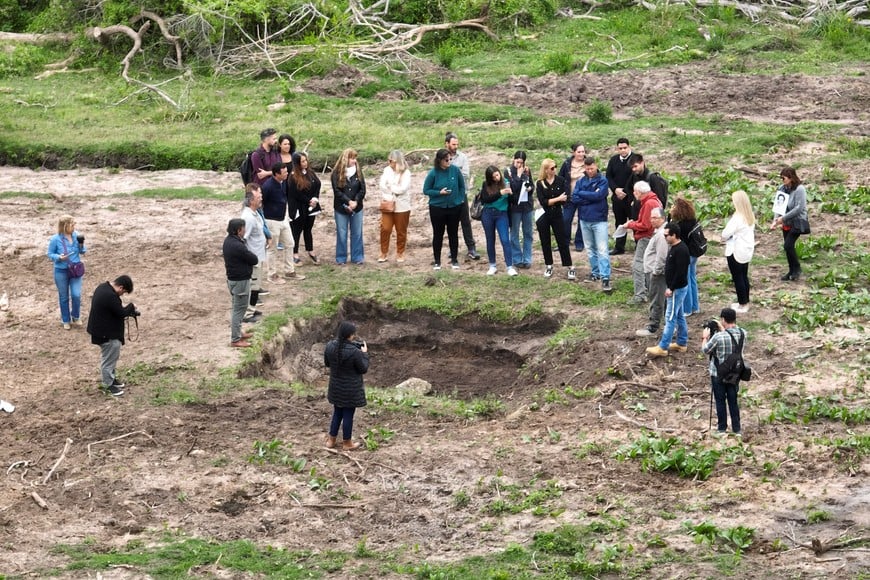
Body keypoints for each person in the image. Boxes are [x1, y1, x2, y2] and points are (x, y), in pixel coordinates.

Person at [87, 275, 137, 397]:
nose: (122, 294)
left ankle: (111, 378)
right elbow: (121, 313)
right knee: (109, 360)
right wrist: (131, 306)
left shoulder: (102, 287)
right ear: (121, 287)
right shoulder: (110, 296)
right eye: (123, 292)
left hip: (101, 331)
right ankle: (108, 385)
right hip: (106, 334)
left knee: (112, 357)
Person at [646, 222, 690, 358]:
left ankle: (663, 346)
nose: (664, 237)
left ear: (674, 235)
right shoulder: (674, 247)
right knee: (679, 316)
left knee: (670, 318)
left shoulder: (681, 250)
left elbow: (681, 273)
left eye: (666, 235)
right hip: (676, 288)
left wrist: (671, 288)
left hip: (677, 290)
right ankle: (682, 342)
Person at [324, 321, 369, 451]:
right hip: (350, 389)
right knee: (348, 414)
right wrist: (364, 354)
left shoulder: (330, 346)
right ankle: (347, 443)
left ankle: (331, 440)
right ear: (350, 335)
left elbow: (327, 363)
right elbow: (363, 368)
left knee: (337, 412)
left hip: (335, 387)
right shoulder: (355, 352)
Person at [701, 307, 744, 436]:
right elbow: (731, 336)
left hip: (718, 373)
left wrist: (704, 338)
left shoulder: (718, 337)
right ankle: (737, 429)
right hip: (735, 373)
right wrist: (722, 328)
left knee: (720, 400)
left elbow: (705, 350)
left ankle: (721, 428)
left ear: (723, 319)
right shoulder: (743, 333)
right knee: (733, 400)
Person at [572, 155, 612, 292]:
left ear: (596, 166)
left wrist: (582, 194)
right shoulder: (581, 180)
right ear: (584, 167)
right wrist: (590, 196)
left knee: (602, 249)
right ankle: (595, 272)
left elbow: (599, 196)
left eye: (592, 168)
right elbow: (574, 197)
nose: (590, 171)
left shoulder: (603, 180)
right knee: (590, 248)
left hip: (599, 219)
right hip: (584, 219)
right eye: (587, 169)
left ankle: (605, 277)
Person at [423, 148, 466, 270]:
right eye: (446, 160)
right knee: (438, 234)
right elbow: (426, 190)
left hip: (454, 207)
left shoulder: (455, 170)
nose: (449, 162)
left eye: (450, 159)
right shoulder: (433, 173)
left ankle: (454, 259)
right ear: (439, 160)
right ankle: (437, 261)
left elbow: (462, 187)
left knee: (453, 233)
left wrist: (460, 200)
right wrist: (439, 193)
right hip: (437, 208)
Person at [261, 162, 305, 284]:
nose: (287, 174)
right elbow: (261, 203)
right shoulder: (268, 186)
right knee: (272, 248)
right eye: (284, 172)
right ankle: (272, 274)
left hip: (283, 218)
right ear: (276, 174)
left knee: (290, 243)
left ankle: (289, 271)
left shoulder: (284, 182)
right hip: (271, 220)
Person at [535, 159, 575, 280]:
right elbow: (543, 202)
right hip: (544, 215)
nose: (555, 169)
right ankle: (549, 264)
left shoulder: (560, 180)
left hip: (557, 214)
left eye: (555, 166)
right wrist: (557, 199)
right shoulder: (540, 183)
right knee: (545, 241)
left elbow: (565, 198)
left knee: (562, 240)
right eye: (552, 168)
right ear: (546, 170)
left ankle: (569, 265)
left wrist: (553, 201)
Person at [624, 181, 662, 305]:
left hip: (646, 237)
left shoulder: (649, 203)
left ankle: (640, 294)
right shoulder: (654, 200)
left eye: (635, 192)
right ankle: (652, 292)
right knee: (651, 265)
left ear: (639, 192)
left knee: (638, 265)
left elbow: (645, 225)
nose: (634, 194)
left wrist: (631, 224)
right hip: (653, 236)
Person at [222, 218, 258, 348]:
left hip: (232, 280)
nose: (245, 230)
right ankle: (235, 339)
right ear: (238, 230)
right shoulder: (238, 245)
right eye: (243, 228)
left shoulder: (228, 241)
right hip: (240, 281)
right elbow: (254, 259)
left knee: (236, 307)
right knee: (239, 309)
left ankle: (238, 332)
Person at [47, 215, 87, 330]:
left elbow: (82, 251)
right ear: (65, 226)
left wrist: (81, 244)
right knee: (64, 297)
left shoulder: (76, 235)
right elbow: (49, 254)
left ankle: (76, 316)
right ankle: (65, 319)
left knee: (76, 294)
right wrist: (59, 257)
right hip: (61, 271)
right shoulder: (55, 239)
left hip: (75, 270)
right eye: (72, 225)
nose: (74, 227)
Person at [445, 132, 480, 260]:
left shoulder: (463, 157)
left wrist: (450, 172)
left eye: (457, 144)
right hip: (447, 195)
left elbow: (465, 175)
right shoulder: (441, 157)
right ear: (447, 144)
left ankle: (471, 248)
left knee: (465, 221)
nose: (456, 146)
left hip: (460, 194)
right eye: (453, 144)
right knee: (451, 222)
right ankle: (452, 248)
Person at [771, 167, 809, 281]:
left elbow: (799, 208)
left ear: (791, 178)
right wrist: (775, 221)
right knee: (788, 248)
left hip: (797, 221)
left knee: (788, 245)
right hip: (786, 222)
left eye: (783, 178)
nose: (782, 180)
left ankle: (796, 268)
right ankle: (791, 271)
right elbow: (779, 206)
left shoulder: (800, 189)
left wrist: (782, 218)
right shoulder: (782, 189)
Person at [331, 148, 367, 265]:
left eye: (355, 158)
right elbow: (337, 191)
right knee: (342, 233)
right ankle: (341, 257)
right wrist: (348, 201)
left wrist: (356, 201)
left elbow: (362, 189)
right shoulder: (336, 173)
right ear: (346, 159)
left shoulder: (358, 171)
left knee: (357, 233)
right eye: (352, 158)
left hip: (357, 207)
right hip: (341, 207)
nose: (354, 161)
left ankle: (357, 257)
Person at [722, 190, 756, 314]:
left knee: (737, 278)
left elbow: (725, 233)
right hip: (746, 250)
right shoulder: (749, 215)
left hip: (735, 250)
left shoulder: (737, 218)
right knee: (744, 276)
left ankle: (742, 304)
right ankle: (745, 301)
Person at [636, 207, 668, 336]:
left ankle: (653, 326)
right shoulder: (659, 232)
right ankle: (668, 325)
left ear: (663, 218)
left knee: (656, 299)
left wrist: (656, 272)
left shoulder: (661, 235)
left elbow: (661, 256)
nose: (652, 220)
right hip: (653, 271)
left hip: (656, 273)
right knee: (659, 299)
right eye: (651, 217)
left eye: (655, 218)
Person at [479, 165, 516, 276]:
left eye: (497, 175)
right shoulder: (486, 184)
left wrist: (511, 193)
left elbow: (513, 200)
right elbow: (485, 200)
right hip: (488, 213)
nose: (496, 178)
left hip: (502, 214)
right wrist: (500, 193)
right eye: (493, 177)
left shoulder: (506, 182)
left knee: (505, 240)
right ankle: (492, 265)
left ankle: (510, 266)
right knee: (490, 239)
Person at [287, 151, 322, 265]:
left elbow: (317, 185)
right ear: (297, 163)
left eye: (306, 160)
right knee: (296, 231)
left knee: (308, 229)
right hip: (299, 207)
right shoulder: (292, 176)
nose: (305, 163)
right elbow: (296, 193)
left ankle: (310, 250)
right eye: (302, 161)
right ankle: (294, 253)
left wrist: (315, 198)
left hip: (311, 206)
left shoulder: (310, 173)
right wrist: (308, 201)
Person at [378, 150, 412, 263]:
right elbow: (382, 185)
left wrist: (391, 187)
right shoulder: (386, 170)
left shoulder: (406, 173)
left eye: (391, 161)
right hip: (388, 202)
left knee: (401, 230)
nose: (389, 163)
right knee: (385, 228)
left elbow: (403, 189)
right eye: (388, 160)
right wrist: (393, 189)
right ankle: (383, 252)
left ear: (397, 161)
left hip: (402, 205)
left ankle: (400, 252)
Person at [241, 183, 268, 322]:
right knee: (252, 287)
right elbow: (242, 240)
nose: (261, 198)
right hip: (253, 257)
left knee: (255, 287)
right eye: (258, 196)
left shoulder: (255, 213)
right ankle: (247, 314)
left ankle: (251, 309)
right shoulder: (248, 218)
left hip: (258, 255)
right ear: (251, 200)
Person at [670, 197, 701, 317]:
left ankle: (687, 309)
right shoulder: (693, 221)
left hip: (686, 255)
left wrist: (670, 217)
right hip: (694, 254)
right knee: (692, 279)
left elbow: (670, 230)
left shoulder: (680, 225)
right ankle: (695, 306)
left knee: (685, 281)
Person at [605, 137, 634, 255]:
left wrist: (625, 191)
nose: (623, 150)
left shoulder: (635, 159)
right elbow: (608, 176)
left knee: (635, 221)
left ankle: (639, 245)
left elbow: (635, 176)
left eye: (625, 148)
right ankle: (619, 247)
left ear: (629, 147)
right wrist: (615, 189)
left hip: (631, 197)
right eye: (620, 148)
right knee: (619, 222)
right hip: (617, 198)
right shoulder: (613, 160)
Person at [507, 151, 535, 269]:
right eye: (517, 162)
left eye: (521, 162)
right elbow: (513, 188)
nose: (519, 164)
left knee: (528, 233)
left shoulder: (527, 171)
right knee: (514, 233)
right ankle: (517, 258)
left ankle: (527, 258)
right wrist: (518, 176)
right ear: (513, 159)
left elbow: (531, 185)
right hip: (515, 207)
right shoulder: (508, 172)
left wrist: (530, 188)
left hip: (527, 206)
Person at [558, 143, 587, 252]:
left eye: (583, 151)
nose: (581, 154)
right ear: (574, 152)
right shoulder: (567, 164)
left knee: (581, 220)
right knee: (566, 219)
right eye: (579, 152)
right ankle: (565, 242)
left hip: (583, 197)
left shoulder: (588, 163)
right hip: (569, 197)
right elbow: (560, 178)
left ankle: (579, 242)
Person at [624, 153, 668, 218]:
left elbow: (660, 199)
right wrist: (632, 200)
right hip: (637, 213)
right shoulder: (634, 176)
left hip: (650, 213)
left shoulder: (653, 178)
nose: (633, 169)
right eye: (632, 167)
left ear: (642, 163)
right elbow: (628, 188)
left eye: (635, 166)